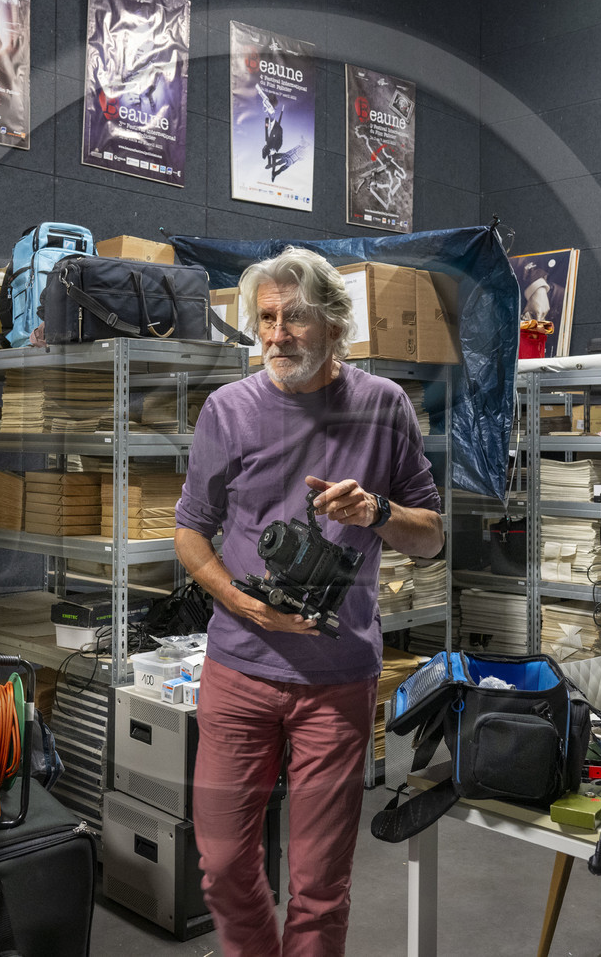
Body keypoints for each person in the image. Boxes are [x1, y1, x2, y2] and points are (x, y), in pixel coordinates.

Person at [175, 247, 445, 957]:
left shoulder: (383, 405)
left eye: (294, 317)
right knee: (226, 866)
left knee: (321, 887)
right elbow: (188, 531)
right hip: (238, 671)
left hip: (337, 681)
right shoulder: (226, 410)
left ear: (332, 320)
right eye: (265, 318)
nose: (276, 334)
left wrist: (377, 510)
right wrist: (241, 599)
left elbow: (431, 537)